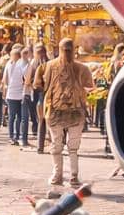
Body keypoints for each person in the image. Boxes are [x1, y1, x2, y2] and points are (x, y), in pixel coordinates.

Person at [37, 39, 93, 190]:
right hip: (72, 113)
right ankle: (72, 176)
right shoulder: (82, 68)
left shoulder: (48, 66)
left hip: (57, 112)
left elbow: (37, 84)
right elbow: (90, 86)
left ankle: (59, 176)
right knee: (71, 147)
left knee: (57, 146)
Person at [5, 45, 30, 147]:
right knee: (18, 117)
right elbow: (26, 77)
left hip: (12, 94)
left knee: (13, 117)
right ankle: (15, 136)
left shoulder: (8, 64)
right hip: (18, 94)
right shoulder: (21, 64)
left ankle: (12, 136)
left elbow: (5, 79)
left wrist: (5, 90)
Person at [26, 44, 50, 152]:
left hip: (38, 95)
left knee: (41, 121)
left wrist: (32, 85)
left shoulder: (33, 65)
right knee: (47, 121)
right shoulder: (50, 64)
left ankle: (40, 147)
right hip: (46, 96)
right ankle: (49, 144)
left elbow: (28, 81)